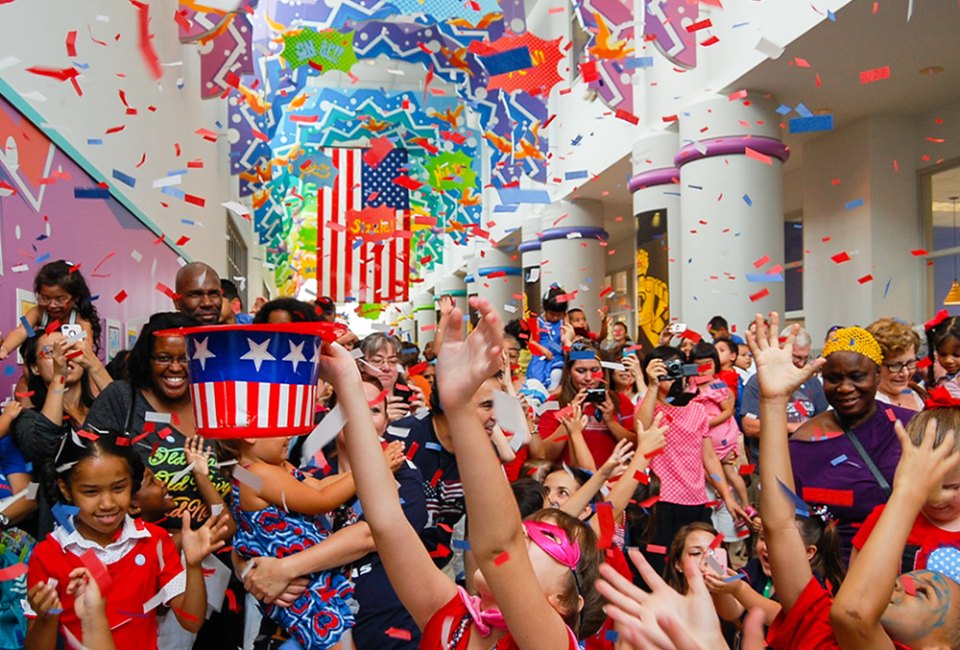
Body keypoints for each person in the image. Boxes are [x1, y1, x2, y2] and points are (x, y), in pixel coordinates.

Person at [342, 297, 606, 648]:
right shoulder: (450, 619)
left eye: (547, 540)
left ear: (564, 602)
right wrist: (345, 378)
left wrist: (460, 408)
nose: (524, 534)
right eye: (527, 530)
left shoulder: (554, 643)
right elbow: (385, 519)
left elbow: (499, 546)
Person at [746, 312, 960, 650]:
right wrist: (773, 403)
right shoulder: (824, 627)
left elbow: (856, 615)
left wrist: (907, 493)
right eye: (906, 576)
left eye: (924, 592)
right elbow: (782, 526)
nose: (897, 583)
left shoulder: (852, 627)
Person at [238, 378, 429, 650]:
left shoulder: (402, 473)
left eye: (372, 410)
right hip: (300, 629)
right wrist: (250, 572)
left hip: (384, 634)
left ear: (386, 420)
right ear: (331, 417)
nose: (359, 418)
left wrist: (284, 569)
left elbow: (368, 535)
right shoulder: (303, 474)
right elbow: (242, 532)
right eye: (349, 407)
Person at [24, 431, 229, 649]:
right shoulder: (48, 554)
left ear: (132, 483)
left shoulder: (154, 540)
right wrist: (45, 616)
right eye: (91, 492)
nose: (107, 503)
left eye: (118, 488)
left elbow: (191, 621)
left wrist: (194, 565)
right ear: (65, 489)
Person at [221, 432, 403, 649]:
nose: (289, 434)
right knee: (337, 641)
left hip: (306, 576)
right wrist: (374, 469)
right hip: (300, 589)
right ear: (250, 436)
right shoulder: (256, 475)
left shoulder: (259, 470)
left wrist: (371, 469)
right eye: (280, 428)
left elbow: (316, 486)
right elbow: (321, 500)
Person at [84, 313, 231, 533]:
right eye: (163, 358)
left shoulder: (219, 402)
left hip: (223, 548)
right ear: (147, 360)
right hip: (143, 552)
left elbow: (247, 476)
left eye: (186, 358)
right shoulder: (123, 399)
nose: (175, 368)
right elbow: (88, 471)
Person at [789, 326, 911, 564]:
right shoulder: (805, 444)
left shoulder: (909, 425)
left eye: (856, 377)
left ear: (877, 375)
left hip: (906, 568)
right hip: (839, 572)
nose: (844, 388)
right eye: (833, 379)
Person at [637, 345, 749, 574]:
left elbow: (709, 458)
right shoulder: (649, 405)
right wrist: (652, 384)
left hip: (697, 500)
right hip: (662, 501)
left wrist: (728, 497)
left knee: (709, 561)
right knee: (661, 565)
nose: (673, 374)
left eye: (677, 367)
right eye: (667, 368)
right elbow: (642, 427)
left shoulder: (697, 410)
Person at [11, 331, 112, 537]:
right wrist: (59, 376)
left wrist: (95, 365)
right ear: (34, 368)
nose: (64, 356)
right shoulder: (27, 419)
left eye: (71, 348)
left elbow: (129, 419)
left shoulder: (101, 412)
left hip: (116, 523)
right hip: (62, 536)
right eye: (52, 352)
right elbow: (43, 447)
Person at [850, 391, 960, 572]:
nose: (937, 497)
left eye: (951, 487)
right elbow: (857, 587)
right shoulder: (886, 520)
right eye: (927, 485)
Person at [705, 510, 845, 627]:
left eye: (777, 542)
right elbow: (732, 612)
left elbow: (783, 618)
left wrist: (739, 589)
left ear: (808, 552)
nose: (766, 547)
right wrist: (719, 581)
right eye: (762, 538)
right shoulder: (755, 569)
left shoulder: (812, 586)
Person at [536, 342, 635, 468]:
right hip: (570, 481)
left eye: (594, 370)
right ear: (569, 373)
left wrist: (610, 421)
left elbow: (635, 446)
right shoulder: (552, 404)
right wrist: (568, 418)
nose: (588, 378)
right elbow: (544, 455)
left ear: (603, 372)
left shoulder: (620, 401)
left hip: (614, 480)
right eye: (581, 371)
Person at [0, 260, 101, 361]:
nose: (52, 305)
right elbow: (22, 330)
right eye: (45, 298)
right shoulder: (37, 312)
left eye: (60, 299)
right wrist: (5, 349)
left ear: (75, 298)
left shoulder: (81, 321)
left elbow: (87, 347)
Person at [740, 326, 827, 439]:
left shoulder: (812, 382)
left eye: (806, 358)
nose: (801, 364)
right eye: (796, 357)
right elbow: (749, 427)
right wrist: (792, 428)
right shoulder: (758, 381)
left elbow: (823, 421)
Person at [359, 333, 425, 422]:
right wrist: (381, 420)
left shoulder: (408, 396)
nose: (386, 368)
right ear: (361, 365)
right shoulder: (350, 398)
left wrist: (421, 417)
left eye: (392, 361)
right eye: (377, 361)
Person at [866, 317, 924, 411]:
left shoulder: (920, 393)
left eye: (910, 363)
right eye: (895, 366)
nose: (905, 373)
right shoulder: (868, 406)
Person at [524, 286, 570, 392]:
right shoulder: (537, 322)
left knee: (556, 375)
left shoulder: (564, 322)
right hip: (541, 356)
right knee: (536, 378)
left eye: (559, 315)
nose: (555, 318)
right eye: (552, 314)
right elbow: (532, 341)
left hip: (557, 357)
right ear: (545, 310)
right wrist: (542, 350)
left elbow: (566, 336)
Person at [925, 311, 960, 397]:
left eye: (956, 355)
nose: (948, 360)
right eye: (943, 354)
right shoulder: (933, 361)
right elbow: (919, 365)